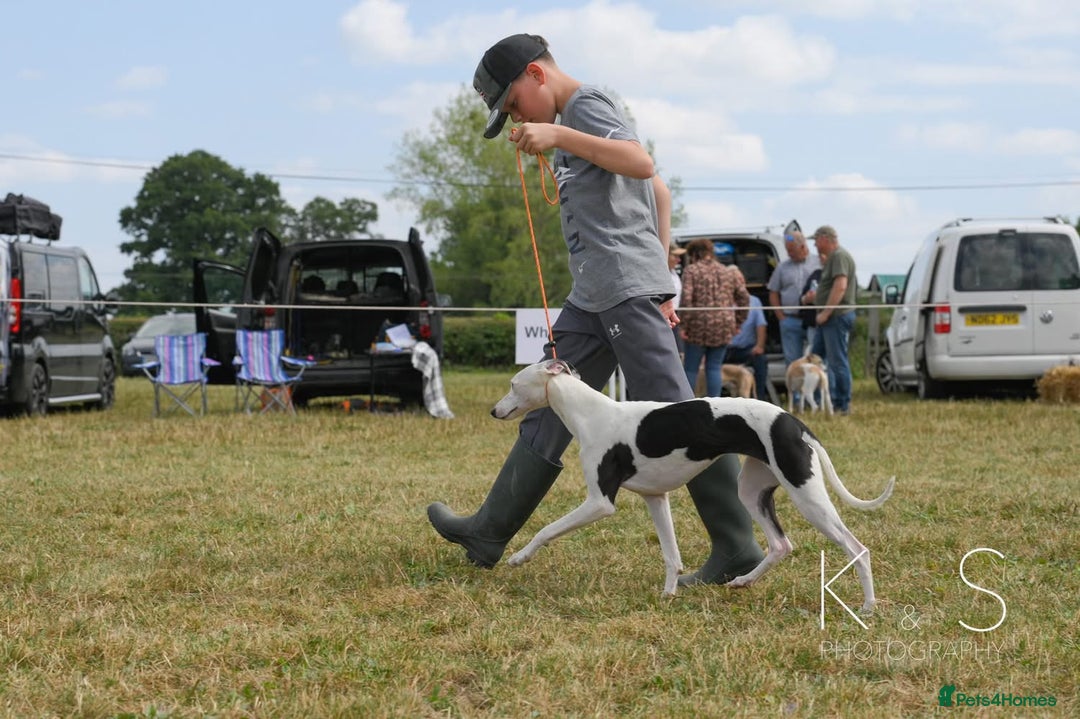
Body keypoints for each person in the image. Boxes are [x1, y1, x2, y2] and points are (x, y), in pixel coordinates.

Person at [428, 33, 763, 587]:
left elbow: (641, 162)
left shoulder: (586, 106)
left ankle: (736, 545)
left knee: (682, 411)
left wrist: (657, 281)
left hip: (626, 293)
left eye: (512, 103)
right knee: (547, 394)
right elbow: (657, 191)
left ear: (535, 75)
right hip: (591, 297)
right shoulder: (571, 128)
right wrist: (662, 270)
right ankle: (487, 531)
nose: (515, 115)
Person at [680, 240, 749, 397]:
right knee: (714, 367)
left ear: (694, 254)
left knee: (691, 368)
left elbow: (686, 299)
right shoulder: (728, 272)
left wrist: (684, 325)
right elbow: (744, 297)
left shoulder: (691, 271)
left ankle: (686, 403)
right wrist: (738, 321)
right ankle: (715, 406)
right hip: (724, 325)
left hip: (698, 326)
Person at [807, 225, 857, 415]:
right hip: (828, 319)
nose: (814, 244)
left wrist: (826, 312)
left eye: (816, 240)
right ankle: (819, 401)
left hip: (835, 317)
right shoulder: (833, 258)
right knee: (815, 358)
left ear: (825, 239)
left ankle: (842, 404)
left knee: (837, 362)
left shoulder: (839, 256)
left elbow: (840, 286)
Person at [767, 230, 821, 367]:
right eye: (787, 250)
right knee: (792, 363)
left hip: (813, 320)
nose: (789, 253)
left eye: (792, 250)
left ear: (803, 247)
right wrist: (781, 317)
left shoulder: (819, 262)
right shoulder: (782, 267)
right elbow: (773, 292)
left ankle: (816, 389)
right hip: (790, 320)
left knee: (816, 361)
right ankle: (795, 389)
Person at [724, 294, 770, 401]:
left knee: (761, 360)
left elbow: (761, 325)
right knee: (711, 365)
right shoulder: (720, 299)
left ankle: (759, 399)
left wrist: (759, 346)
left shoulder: (754, 301)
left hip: (746, 349)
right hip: (723, 348)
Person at [668, 245, 687, 354]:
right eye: (675, 256)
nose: (679, 260)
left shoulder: (674, 273)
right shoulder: (663, 273)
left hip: (674, 316)